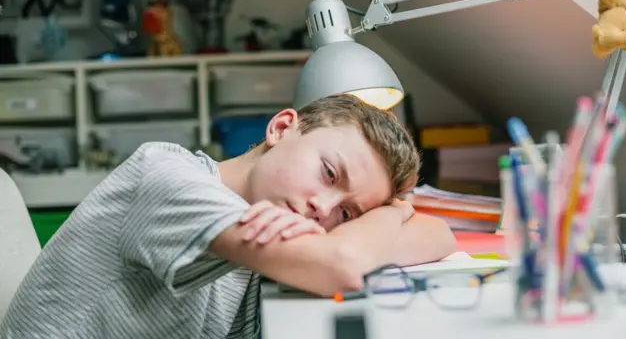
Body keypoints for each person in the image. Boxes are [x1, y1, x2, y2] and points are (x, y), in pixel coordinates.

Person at [0, 94, 456, 339]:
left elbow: (440, 235)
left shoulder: (279, 222)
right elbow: (337, 267)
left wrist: (385, 219)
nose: (322, 207)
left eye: (346, 212)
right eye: (328, 172)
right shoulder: (167, 178)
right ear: (280, 128)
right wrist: (387, 218)